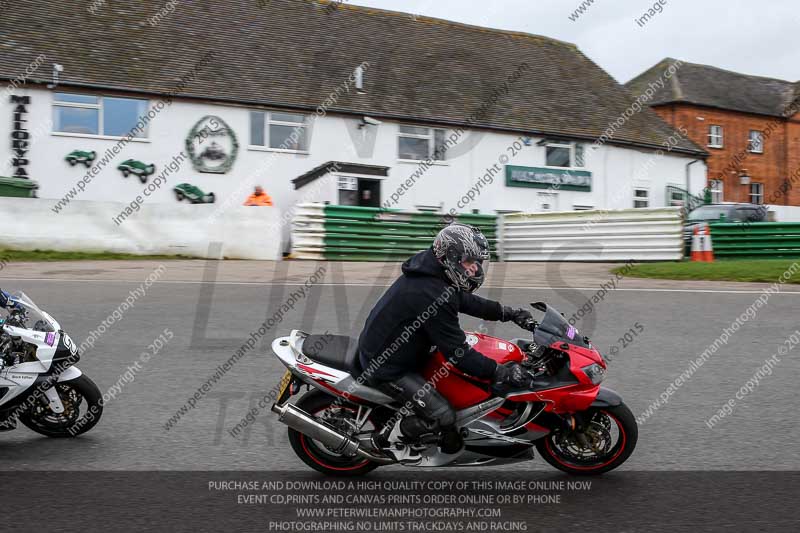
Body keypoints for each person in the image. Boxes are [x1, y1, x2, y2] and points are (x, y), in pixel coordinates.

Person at [357, 223, 534, 454]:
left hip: (405, 351)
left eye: (477, 263)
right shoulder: (431, 293)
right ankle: (388, 440)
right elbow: (458, 352)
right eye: (469, 262)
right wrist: (500, 372)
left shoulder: (434, 271)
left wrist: (508, 313)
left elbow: (464, 301)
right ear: (450, 256)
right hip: (388, 367)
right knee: (443, 414)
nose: (474, 269)